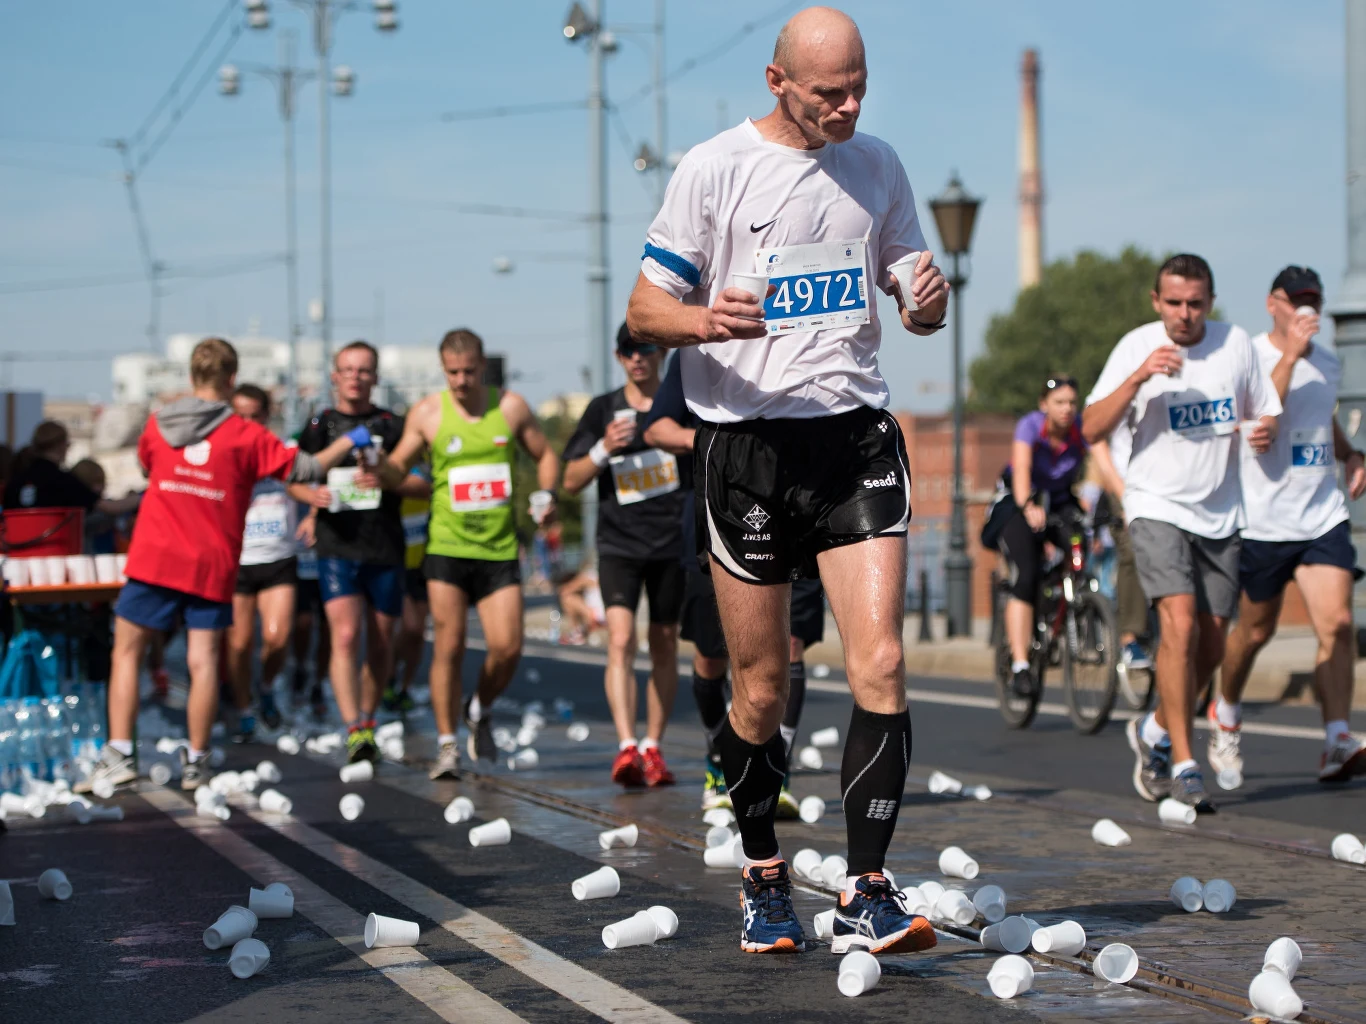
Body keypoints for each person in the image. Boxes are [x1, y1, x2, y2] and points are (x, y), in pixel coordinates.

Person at [625, 7, 949, 956]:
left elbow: (915, 297)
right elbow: (644, 308)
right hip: (749, 452)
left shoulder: (878, 164)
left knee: (880, 662)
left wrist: (927, 302)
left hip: (851, 439)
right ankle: (764, 873)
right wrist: (701, 322)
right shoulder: (715, 168)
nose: (848, 108)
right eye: (828, 93)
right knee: (762, 690)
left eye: (859, 87)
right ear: (778, 84)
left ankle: (866, 889)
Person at [85, 337, 365, 793]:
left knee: (128, 651)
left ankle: (118, 753)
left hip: (155, 554)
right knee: (203, 660)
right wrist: (349, 442)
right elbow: (308, 469)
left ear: (191, 378)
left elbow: (147, 466)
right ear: (232, 380)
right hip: (210, 560)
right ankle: (196, 760)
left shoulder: (157, 425)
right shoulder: (248, 435)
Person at [1083, 254, 1281, 813]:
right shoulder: (1136, 345)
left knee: (1213, 642)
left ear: (1209, 303)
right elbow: (1091, 426)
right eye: (1174, 303)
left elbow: (1264, 412)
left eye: (1195, 303)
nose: (1184, 314)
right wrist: (1140, 375)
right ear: (1157, 301)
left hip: (1220, 510)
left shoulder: (1235, 344)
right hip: (1155, 502)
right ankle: (1186, 763)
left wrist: (1264, 432)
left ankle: (1151, 729)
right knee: (1180, 621)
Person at [644, 352, 825, 815]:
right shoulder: (704, 351)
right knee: (712, 657)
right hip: (719, 514)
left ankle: (775, 768)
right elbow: (657, 428)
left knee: (789, 646)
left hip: (799, 512)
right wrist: (714, 440)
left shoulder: (805, 337)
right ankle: (718, 756)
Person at [380, 329, 559, 779]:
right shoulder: (426, 414)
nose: (461, 381)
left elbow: (545, 454)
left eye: (469, 371)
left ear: (483, 367)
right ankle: (447, 746)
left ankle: (478, 707)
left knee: (508, 647)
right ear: (443, 370)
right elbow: (397, 467)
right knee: (450, 645)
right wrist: (375, 467)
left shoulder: (511, 407)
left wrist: (546, 493)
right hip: (447, 547)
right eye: (453, 372)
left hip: (498, 549)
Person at [1215, 266, 1366, 785]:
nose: (1308, 309)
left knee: (1339, 625)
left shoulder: (1328, 362)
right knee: (1256, 631)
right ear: (1272, 304)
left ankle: (1336, 740)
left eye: (1315, 300)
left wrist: (1349, 455)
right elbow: (1262, 422)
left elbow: (1318, 418)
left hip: (1322, 511)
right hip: (1265, 519)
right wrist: (1291, 357)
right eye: (1298, 300)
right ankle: (1227, 712)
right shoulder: (1252, 356)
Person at [562, 324, 686, 789]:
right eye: (629, 350)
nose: (638, 357)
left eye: (646, 348)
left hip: (671, 543)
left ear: (660, 352)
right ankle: (625, 746)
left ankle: (653, 745)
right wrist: (602, 448)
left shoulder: (677, 402)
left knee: (664, 643)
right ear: (618, 357)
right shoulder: (603, 409)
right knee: (619, 640)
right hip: (619, 545)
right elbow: (570, 481)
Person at [295, 341, 423, 764]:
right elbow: (289, 476)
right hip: (338, 544)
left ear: (375, 377)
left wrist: (389, 481)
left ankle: (368, 718)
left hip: (384, 544)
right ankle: (354, 728)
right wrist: (312, 495)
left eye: (364, 370)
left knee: (381, 640)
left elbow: (424, 481)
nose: (355, 377)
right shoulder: (318, 424)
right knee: (346, 635)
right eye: (347, 369)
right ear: (334, 376)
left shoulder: (394, 424)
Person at [981, 376, 1088, 698]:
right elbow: (1022, 469)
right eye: (1059, 402)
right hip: (1020, 501)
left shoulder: (1080, 429)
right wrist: (1028, 504)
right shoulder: (1030, 426)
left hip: (1059, 501)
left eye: (1072, 402)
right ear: (1044, 405)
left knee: (1080, 545)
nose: (1067, 409)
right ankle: (1020, 665)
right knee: (1026, 575)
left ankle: (1061, 602)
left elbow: (1105, 465)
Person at [226, 385, 296, 737]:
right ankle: (242, 708)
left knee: (277, 638)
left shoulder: (282, 452)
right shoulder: (222, 455)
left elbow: (308, 482)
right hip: (238, 560)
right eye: (242, 416)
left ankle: (266, 687)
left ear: (267, 417)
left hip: (277, 558)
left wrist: (311, 514)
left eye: (256, 416)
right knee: (238, 644)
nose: (250, 423)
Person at [5, 421, 141, 519]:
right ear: (60, 445)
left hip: (17, 553)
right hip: (53, 552)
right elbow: (107, 507)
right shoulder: (62, 480)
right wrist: (140, 498)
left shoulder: (15, 481)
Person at [385, 467, 433, 715]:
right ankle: (390, 676)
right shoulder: (397, 469)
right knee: (409, 626)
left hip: (423, 564)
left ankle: (405, 688)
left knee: (419, 634)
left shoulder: (428, 468)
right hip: (400, 561)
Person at [556, 563, 606, 645]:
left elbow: (564, 591)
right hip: (606, 614)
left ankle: (576, 631)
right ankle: (581, 630)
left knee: (568, 598)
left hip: (596, 616)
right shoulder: (595, 576)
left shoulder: (585, 577)